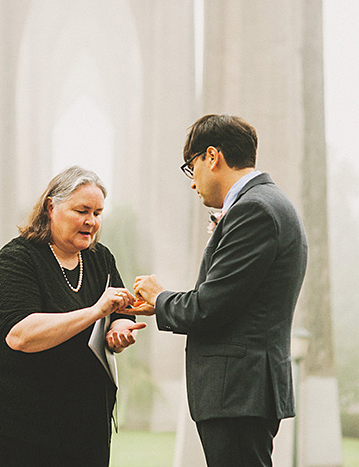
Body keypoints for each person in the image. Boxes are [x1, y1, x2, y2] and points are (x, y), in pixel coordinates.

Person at [128, 114, 308, 467]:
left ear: (212, 157)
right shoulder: (265, 204)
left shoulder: (254, 210)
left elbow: (208, 308)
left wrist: (159, 296)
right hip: (244, 392)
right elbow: (232, 299)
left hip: (238, 391)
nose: (192, 184)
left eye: (190, 167)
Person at [0, 166, 146, 467]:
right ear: (52, 206)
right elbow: (20, 335)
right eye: (82, 210)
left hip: (84, 426)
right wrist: (94, 312)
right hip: (17, 426)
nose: (91, 221)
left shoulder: (101, 258)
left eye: (98, 213)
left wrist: (122, 330)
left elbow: (119, 310)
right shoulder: (17, 259)